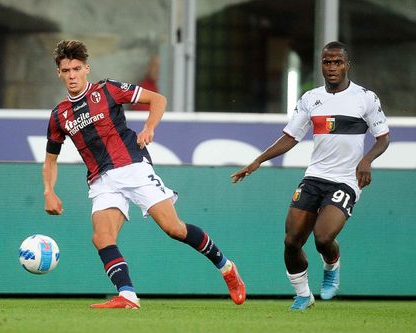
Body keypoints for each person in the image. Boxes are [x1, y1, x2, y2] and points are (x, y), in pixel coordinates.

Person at [43, 40, 246, 309]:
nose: (72, 75)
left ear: (86, 69)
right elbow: (50, 161)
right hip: (101, 180)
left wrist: (149, 127)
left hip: (133, 166)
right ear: (58, 73)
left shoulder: (108, 90)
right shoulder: (59, 115)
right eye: (66, 70)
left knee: (174, 229)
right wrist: (49, 191)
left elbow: (158, 99)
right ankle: (127, 295)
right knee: (101, 237)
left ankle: (227, 268)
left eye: (76, 69)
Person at [231, 41, 389, 310]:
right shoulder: (310, 99)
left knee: (323, 237)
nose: (332, 67)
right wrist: (258, 160)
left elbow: (382, 138)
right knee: (291, 241)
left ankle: (331, 265)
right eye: (327, 62)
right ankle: (303, 295)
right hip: (315, 176)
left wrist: (366, 160)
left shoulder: (365, 98)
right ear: (321, 65)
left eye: (337, 62)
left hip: (346, 179)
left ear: (347, 65)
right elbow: (290, 137)